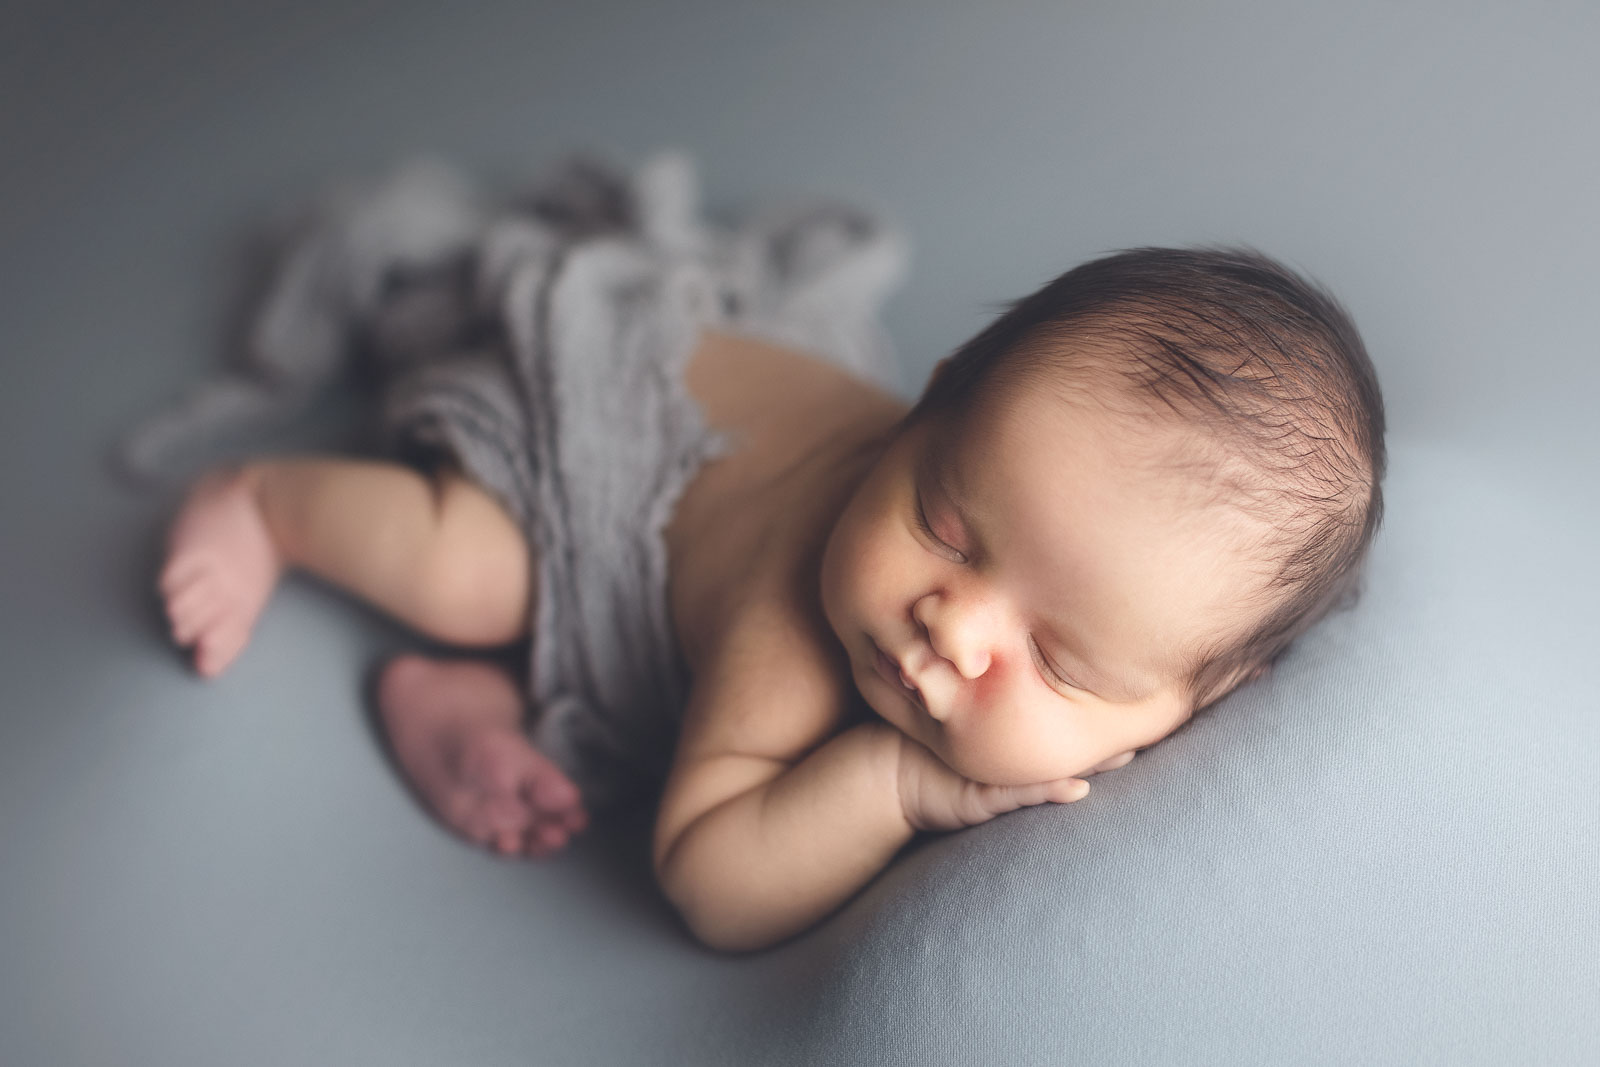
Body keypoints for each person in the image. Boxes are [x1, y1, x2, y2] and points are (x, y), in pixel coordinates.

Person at [157, 246, 1385, 952]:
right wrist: (894, 782)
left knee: (551, 660)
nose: (949, 625)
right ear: (932, 399)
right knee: (471, 574)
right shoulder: (795, 635)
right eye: (944, 525)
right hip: (605, 439)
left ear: (1204, 696)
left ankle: (472, 693)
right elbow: (706, 880)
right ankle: (267, 499)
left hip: (706, 458)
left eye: (1059, 662)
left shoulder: (1164, 630)